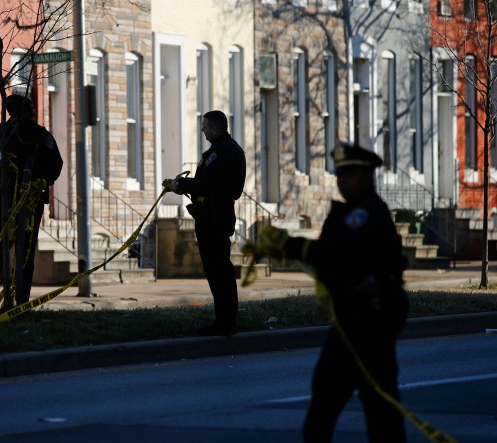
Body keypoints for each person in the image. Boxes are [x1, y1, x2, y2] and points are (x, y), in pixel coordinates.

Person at [248, 142, 408, 442]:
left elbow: (332, 254)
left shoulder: (365, 213)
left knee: (376, 411)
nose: (341, 180)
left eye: (349, 174)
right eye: (339, 174)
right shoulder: (354, 211)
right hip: (352, 323)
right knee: (328, 402)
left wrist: (286, 244)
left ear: (367, 176)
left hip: (369, 325)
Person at [0, 94, 63, 319]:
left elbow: (55, 163)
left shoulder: (40, 136)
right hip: (4, 200)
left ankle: (19, 303)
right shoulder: (0, 135)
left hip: (30, 202)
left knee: (24, 252)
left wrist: (42, 181)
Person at [164, 110, 246, 336]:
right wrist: (182, 186)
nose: (202, 129)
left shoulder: (225, 152)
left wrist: (182, 184)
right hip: (209, 215)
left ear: (216, 128)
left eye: (205, 125)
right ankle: (223, 320)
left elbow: (208, 184)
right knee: (215, 270)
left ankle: (226, 322)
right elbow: (205, 184)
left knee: (220, 270)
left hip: (216, 218)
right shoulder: (219, 150)